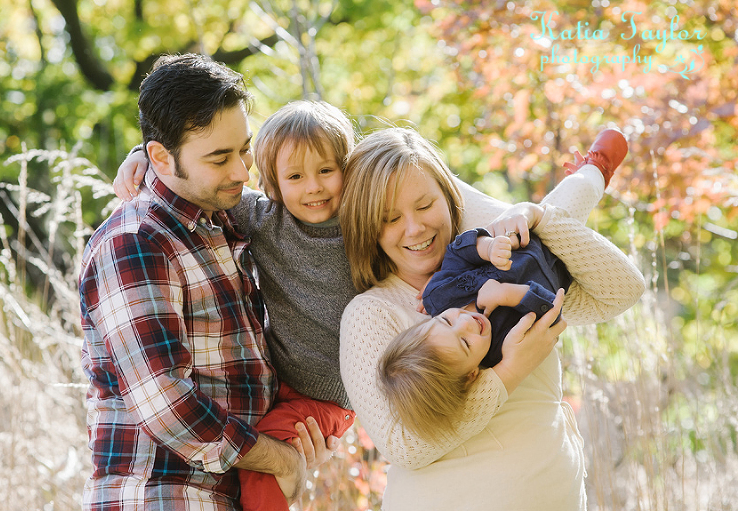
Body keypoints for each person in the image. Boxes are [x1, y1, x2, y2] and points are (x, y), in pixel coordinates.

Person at [338, 127, 646, 510]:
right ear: (368, 228)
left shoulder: (500, 266)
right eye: (389, 218)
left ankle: (593, 169)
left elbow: (622, 289)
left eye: (424, 206)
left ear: (449, 199)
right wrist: (508, 372)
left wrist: (536, 216)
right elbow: (405, 446)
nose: (414, 228)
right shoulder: (370, 313)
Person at [80, 54, 336, 511]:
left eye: (244, 149)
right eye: (220, 158)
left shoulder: (221, 219)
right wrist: (280, 461)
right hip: (162, 497)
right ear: (161, 156)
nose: (242, 171)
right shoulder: (135, 243)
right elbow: (167, 405)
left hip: (226, 495)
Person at [378, 218, 603, 441]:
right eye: (465, 343)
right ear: (471, 375)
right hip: (561, 262)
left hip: (521, 235)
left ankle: (594, 180)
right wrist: (506, 293)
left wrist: (488, 247)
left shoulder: (438, 295)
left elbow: (456, 253)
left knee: (575, 190)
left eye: (446, 322)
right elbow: (553, 311)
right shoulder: (503, 347)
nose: (465, 323)